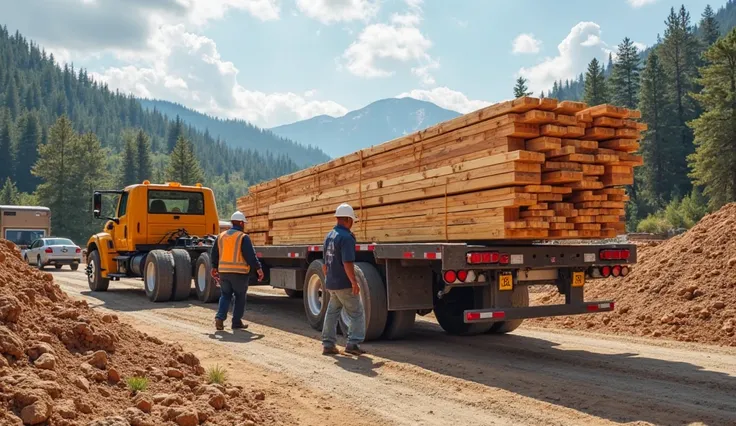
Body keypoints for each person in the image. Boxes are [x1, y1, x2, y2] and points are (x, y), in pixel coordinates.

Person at [321, 203, 366, 356]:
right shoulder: (346, 237)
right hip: (343, 283)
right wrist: (353, 281)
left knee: (332, 313)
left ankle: (328, 344)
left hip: (332, 282)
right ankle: (353, 344)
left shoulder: (329, 236)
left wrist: (328, 279)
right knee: (357, 313)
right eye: (352, 220)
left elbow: (325, 264)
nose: (352, 223)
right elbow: (347, 263)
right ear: (347, 219)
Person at [210, 211, 264, 331]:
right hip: (239, 273)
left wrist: (214, 267)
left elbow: (214, 254)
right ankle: (236, 322)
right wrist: (258, 268)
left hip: (223, 271)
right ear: (240, 223)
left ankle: (220, 318)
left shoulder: (221, 236)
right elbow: (250, 256)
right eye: (243, 223)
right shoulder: (243, 237)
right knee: (240, 297)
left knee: (225, 295)